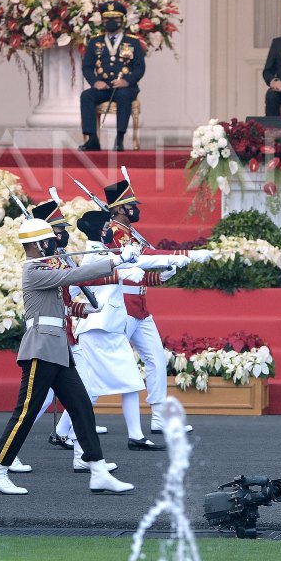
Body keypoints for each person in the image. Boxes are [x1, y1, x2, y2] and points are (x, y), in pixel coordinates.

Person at [0, 218, 135, 496]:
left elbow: (58, 306)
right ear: (38, 244)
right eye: (48, 241)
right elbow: (71, 277)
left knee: (81, 406)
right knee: (26, 413)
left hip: (57, 349)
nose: (53, 244)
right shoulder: (34, 270)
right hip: (41, 349)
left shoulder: (45, 267)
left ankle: (98, 470)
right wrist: (116, 261)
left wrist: (80, 311)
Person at [50, 210, 178, 456]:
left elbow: (136, 269)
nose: (110, 230)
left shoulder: (104, 253)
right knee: (92, 389)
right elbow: (89, 281)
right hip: (97, 327)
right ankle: (68, 436)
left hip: (109, 328)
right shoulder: (92, 257)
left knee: (128, 381)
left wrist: (163, 272)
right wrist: (124, 271)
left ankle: (134, 436)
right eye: (107, 226)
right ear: (100, 229)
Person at [104, 177, 212, 438]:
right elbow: (143, 259)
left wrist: (160, 276)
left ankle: (158, 417)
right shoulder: (115, 233)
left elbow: (142, 269)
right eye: (130, 206)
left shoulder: (127, 232)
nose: (135, 210)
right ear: (119, 209)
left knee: (156, 359)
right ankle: (69, 427)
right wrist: (185, 255)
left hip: (139, 306)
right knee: (106, 366)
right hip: (123, 306)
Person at [78, 0, 145, 152]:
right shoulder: (95, 42)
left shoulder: (132, 42)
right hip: (103, 86)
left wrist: (126, 81)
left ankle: (120, 138)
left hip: (125, 86)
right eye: (107, 19)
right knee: (86, 96)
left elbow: (140, 67)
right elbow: (87, 66)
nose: (111, 22)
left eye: (115, 18)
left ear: (122, 20)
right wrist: (95, 82)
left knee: (124, 95)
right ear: (102, 21)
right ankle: (92, 139)